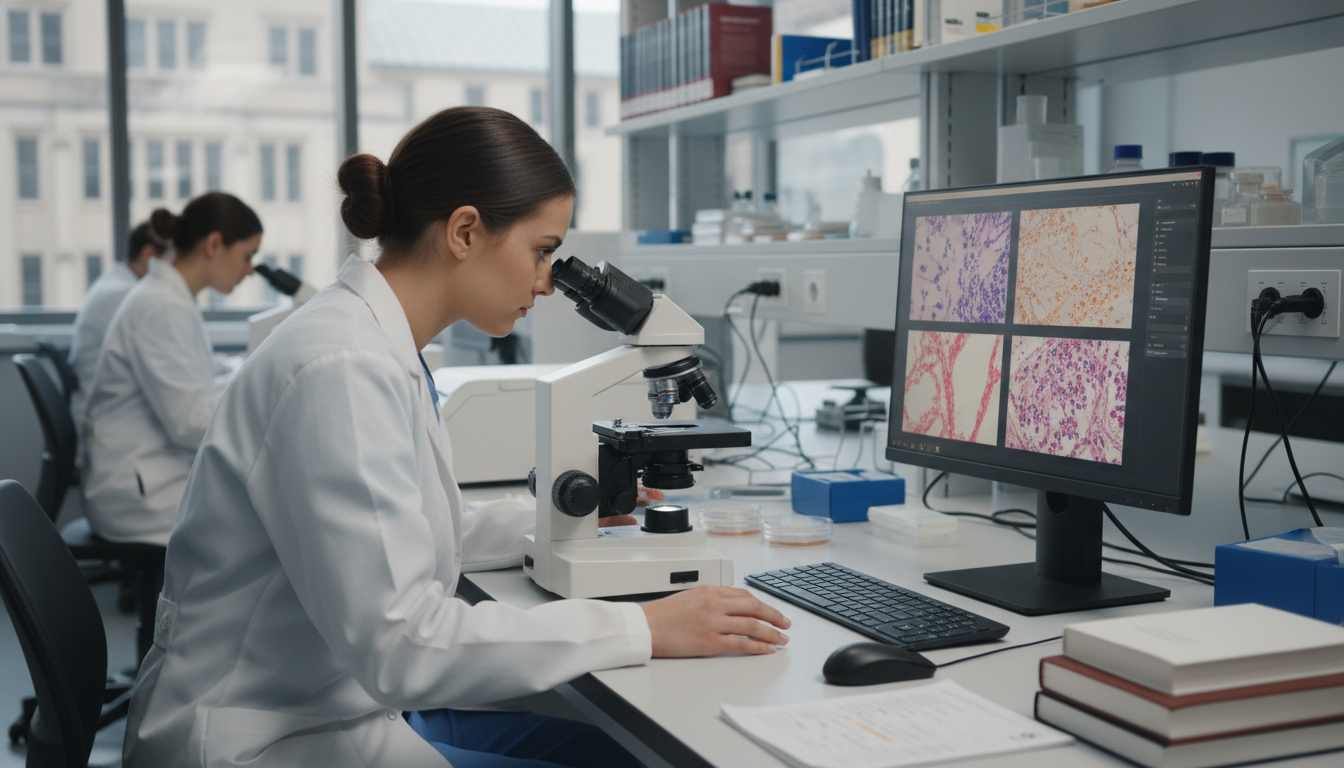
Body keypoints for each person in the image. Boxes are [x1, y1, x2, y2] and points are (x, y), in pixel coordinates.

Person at [122, 106, 789, 768]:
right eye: (543, 250)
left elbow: (407, 536)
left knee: (614, 751)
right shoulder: (341, 368)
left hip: (326, 705)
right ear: (465, 230)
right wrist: (645, 626)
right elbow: (404, 644)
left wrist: (549, 518)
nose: (548, 281)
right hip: (258, 740)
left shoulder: (375, 343)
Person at [82, 193, 261, 546]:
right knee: (262, 523)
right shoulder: (160, 305)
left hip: (149, 471)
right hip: (139, 495)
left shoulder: (169, 296)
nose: (250, 269)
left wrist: (239, 371)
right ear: (214, 244)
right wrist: (255, 384)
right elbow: (190, 422)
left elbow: (192, 373)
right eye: (247, 255)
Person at [67, 221, 167, 435]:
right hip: (111, 428)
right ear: (149, 255)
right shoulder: (126, 296)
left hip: (107, 415)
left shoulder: (119, 284)